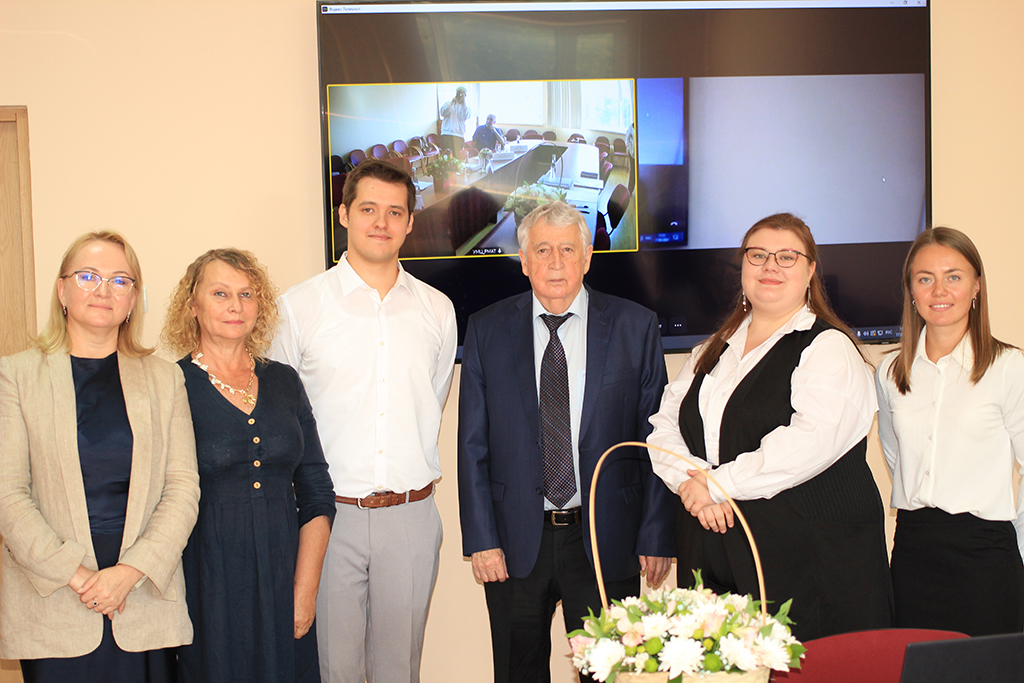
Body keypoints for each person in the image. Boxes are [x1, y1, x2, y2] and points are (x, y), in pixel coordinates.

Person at [647, 212, 893, 642]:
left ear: (810, 270)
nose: (770, 266)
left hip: (808, 561)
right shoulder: (710, 350)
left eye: (786, 256)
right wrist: (695, 484)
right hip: (715, 550)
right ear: (743, 265)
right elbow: (664, 427)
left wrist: (716, 485)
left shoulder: (829, 347)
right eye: (758, 255)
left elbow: (810, 441)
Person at [459, 201, 675, 683]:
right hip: (514, 541)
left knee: (611, 674)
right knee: (517, 672)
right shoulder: (486, 328)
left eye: (567, 249)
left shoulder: (635, 325)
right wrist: (482, 540)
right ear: (523, 260)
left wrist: (656, 533)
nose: (555, 262)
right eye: (542, 250)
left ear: (588, 256)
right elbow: (472, 445)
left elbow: (656, 441)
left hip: (607, 538)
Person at [272, 159, 457, 683]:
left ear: (410, 223)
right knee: (335, 670)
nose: (381, 222)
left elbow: (434, 398)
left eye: (395, 212)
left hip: (410, 515)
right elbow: (283, 417)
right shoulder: (299, 307)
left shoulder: (437, 310)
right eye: (369, 209)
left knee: (400, 671)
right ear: (344, 214)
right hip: (327, 518)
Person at [0, 231, 200, 682]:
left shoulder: (165, 380)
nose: (104, 290)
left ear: (133, 300)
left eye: (120, 280)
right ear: (62, 290)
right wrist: (79, 577)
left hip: (141, 593)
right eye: (88, 276)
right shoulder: (16, 375)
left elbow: (182, 490)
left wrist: (129, 572)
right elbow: (8, 495)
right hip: (54, 596)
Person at [162, 248, 336, 682]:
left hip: (284, 574)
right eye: (220, 293)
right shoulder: (169, 385)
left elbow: (316, 490)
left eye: (247, 294)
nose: (236, 306)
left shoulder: (284, 380)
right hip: (206, 581)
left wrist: (305, 590)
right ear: (192, 306)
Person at [876, 227, 1024, 636]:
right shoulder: (890, 372)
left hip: (986, 557)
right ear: (911, 290)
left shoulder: (1009, 367)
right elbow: (896, 457)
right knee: (918, 664)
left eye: (953, 276)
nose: (939, 290)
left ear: (976, 286)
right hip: (913, 553)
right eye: (925, 278)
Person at [439, 85, 471, 155]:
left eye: (462, 94)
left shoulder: (466, 108)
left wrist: (463, 103)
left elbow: (464, 117)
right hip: (447, 134)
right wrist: (452, 103)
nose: (460, 96)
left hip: (459, 136)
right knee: (445, 157)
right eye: (459, 94)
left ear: (465, 95)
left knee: (457, 158)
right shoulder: (448, 103)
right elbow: (442, 113)